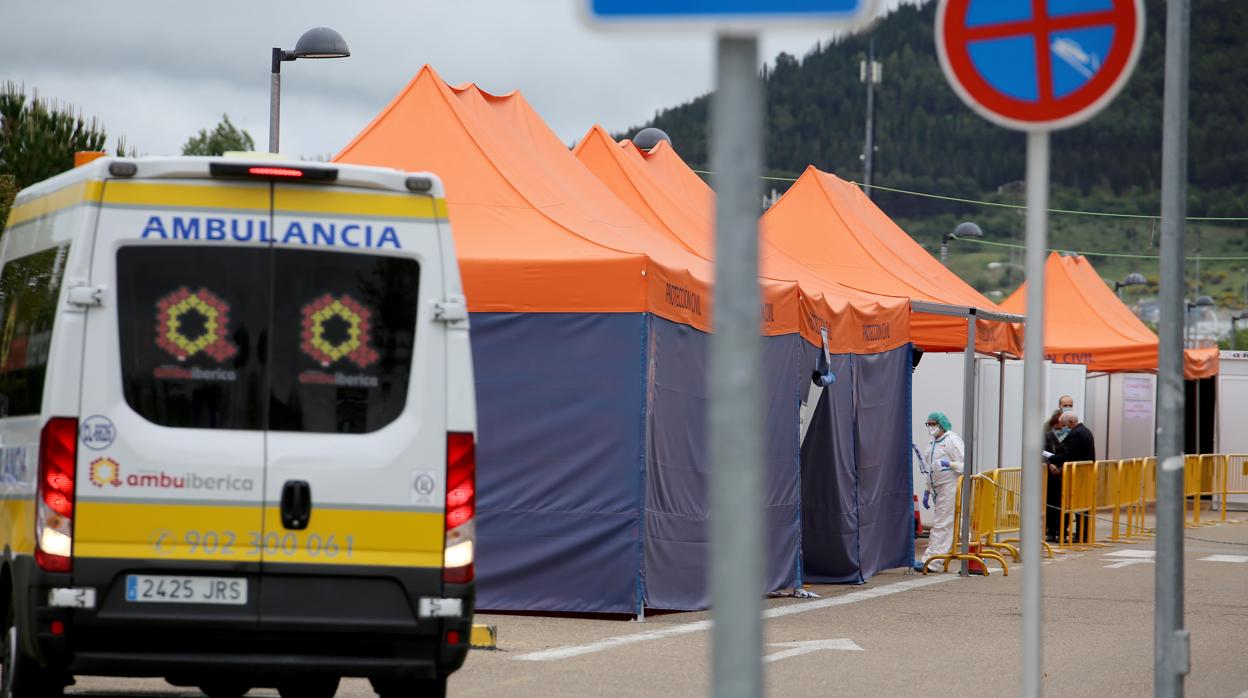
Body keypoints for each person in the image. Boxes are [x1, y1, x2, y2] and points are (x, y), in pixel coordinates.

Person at [914, 411, 964, 572]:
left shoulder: (951, 440)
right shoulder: (932, 444)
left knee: (941, 525)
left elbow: (964, 464)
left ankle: (932, 561)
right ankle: (974, 552)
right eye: (928, 424)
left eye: (933, 424)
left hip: (950, 487)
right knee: (955, 524)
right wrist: (928, 491)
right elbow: (930, 469)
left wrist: (947, 464)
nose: (930, 427)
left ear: (941, 424)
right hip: (938, 489)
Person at [1045, 412, 1096, 543]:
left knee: (1073, 505)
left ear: (1071, 423)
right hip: (1084, 474)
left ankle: (1079, 535)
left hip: (1076, 475)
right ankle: (1082, 534)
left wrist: (1052, 457)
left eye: (1065, 425)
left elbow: (1070, 455)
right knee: (1082, 506)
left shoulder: (1075, 434)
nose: (1064, 428)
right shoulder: (1086, 431)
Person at [1042, 410, 1064, 540]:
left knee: (1063, 503)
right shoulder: (1047, 436)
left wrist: (1061, 467)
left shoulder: (1069, 436)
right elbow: (1042, 452)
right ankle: (1050, 530)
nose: (1059, 430)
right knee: (1051, 502)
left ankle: (1061, 529)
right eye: (1057, 427)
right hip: (1051, 475)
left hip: (1064, 473)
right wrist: (1050, 465)